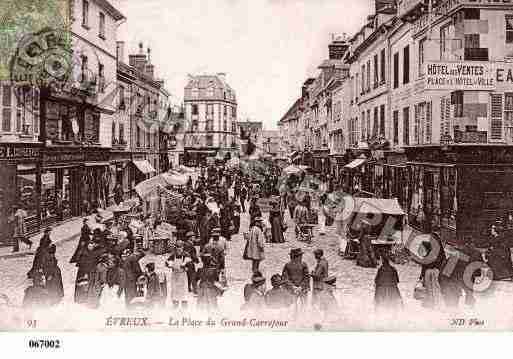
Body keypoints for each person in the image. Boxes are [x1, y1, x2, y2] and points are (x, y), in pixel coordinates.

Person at [166, 246, 189, 310]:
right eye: (177, 249)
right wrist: (169, 265)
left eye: (180, 249)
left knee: (184, 292)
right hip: (175, 276)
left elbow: (190, 265)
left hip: (183, 276)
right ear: (175, 250)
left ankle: (184, 307)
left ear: (182, 249)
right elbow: (167, 263)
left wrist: (185, 267)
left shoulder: (185, 256)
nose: (179, 250)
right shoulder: (172, 256)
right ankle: (175, 306)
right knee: (175, 292)